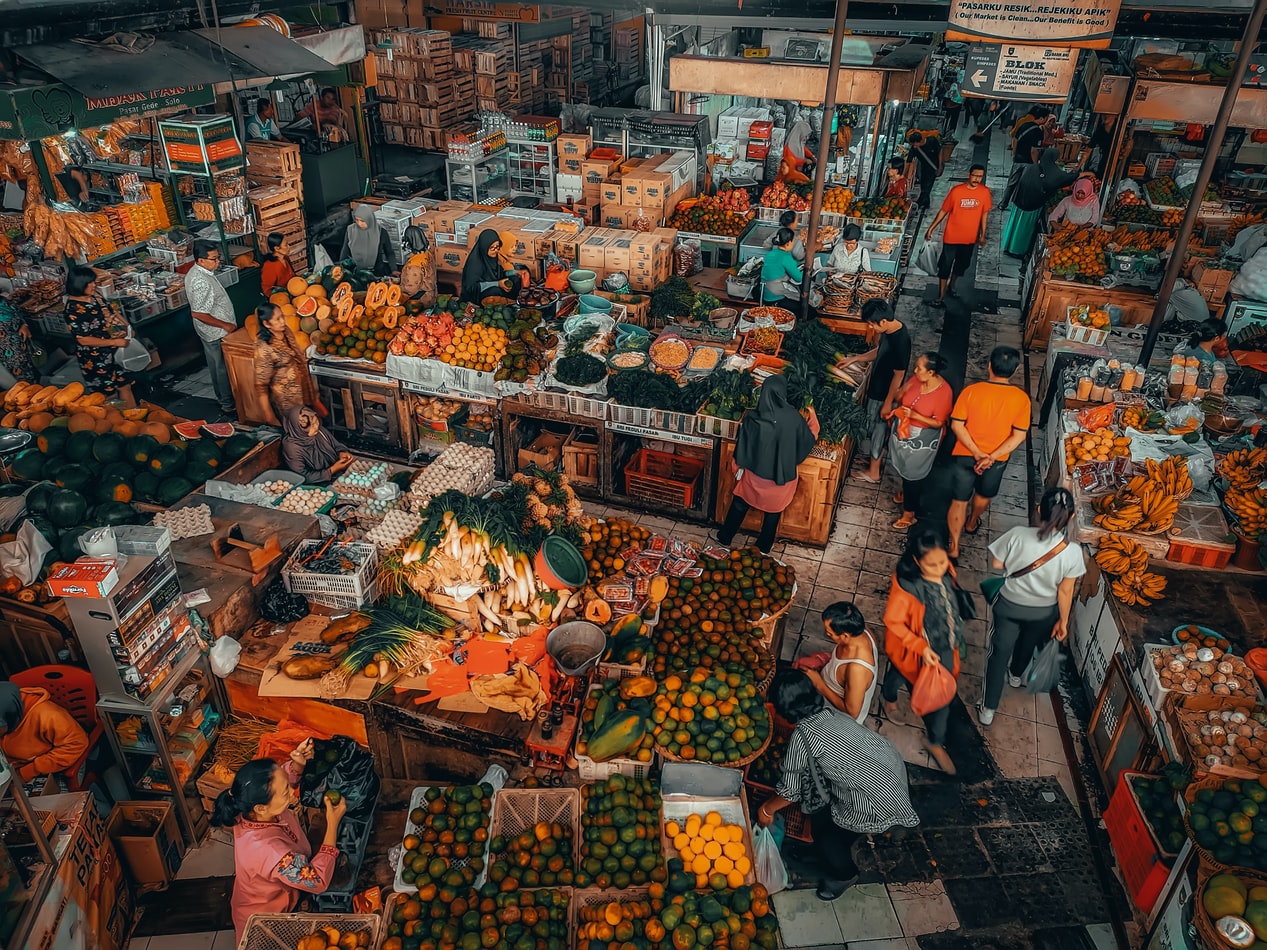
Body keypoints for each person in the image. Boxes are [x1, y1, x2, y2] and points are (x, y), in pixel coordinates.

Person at [756, 670, 919, 901]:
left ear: (784, 712)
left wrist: (766, 810)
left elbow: (789, 791)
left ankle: (844, 875)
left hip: (872, 798)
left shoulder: (803, 736)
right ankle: (831, 849)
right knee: (829, 820)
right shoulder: (830, 713)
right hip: (891, 768)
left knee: (827, 834)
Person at [211, 742, 346, 942]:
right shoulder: (268, 851)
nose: (291, 794)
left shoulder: (248, 806)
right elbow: (316, 880)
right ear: (261, 808)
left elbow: (280, 777)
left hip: (271, 894)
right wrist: (332, 823)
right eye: (285, 793)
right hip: (266, 920)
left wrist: (297, 765)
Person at [979, 486, 1084, 726]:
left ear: (1039, 510)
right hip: (1042, 612)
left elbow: (997, 563)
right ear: (1072, 517)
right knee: (1027, 644)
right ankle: (1016, 676)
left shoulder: (1017, 535)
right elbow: (1065, 591)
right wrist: (1063, 621)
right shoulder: (1072, 553)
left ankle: (988, 708)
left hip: (1008, 607)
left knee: (998, 655)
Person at [881, 530, 966, 775]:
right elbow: (893, 621)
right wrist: (921, 647)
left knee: (944, 695)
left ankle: (935, 741)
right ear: (917, 561)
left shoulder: (946, 570)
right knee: (899, 674)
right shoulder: (907, 588)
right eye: (932, 565)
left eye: (943, 561)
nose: (940, 568)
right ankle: (888, 698)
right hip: (914, 650)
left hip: (945, 649)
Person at [717, 376, 819, 555]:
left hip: (754, 479)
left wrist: (736, 468)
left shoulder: (752, 418)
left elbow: (742, 450)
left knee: (740, 504)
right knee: (773, 513)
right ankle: (763, 547)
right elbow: (810, 437)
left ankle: (725, 537)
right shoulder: (793, 418)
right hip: (781, 480)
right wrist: (812, 412)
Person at [946, 345, 1031, 559]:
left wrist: (976, 452)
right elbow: (1019, 436)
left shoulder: (971, 391)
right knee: (984, 494)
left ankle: (954, 545)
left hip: (965, 454)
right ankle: (972, 522)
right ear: (1016, 369)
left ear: (989, 366)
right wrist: (990, 457)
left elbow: (957, 425)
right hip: (996, 460)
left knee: (959, 501)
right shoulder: (1021, 399)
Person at [837, 300, 909, 484]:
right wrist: (856, 358)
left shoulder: (901, 341)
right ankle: (872, 460)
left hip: (884, 394)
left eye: (871, 323)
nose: (870, 327)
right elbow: (880, 351)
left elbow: (898, 376)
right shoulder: (890, 330)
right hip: (877, 390)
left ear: (883, 321)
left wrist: (887, 403)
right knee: (874, 428)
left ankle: (874, 473)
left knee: (878, 430)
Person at [889, 353, 954, 529]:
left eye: (919, 368)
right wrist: (899, 394)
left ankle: (909, 515)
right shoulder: (916, 379)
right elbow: (902, 396)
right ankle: (906, 492)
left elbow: (939, 422)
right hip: (905, 431)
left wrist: (915, 415)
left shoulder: (944, 392)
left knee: (914, 474)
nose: (915, 370)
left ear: (931, 372)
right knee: (904, 466)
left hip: (923, 438)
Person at [925, 163, 992, 306]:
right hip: (952, 236)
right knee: (945, 265)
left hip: (969, 238)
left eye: (980, 176)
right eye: (974, 175)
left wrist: (982, 234)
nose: (977, 179)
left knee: (962, 265)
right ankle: (941, 295)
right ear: (969, 174)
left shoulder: (985, 192)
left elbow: (984, 215)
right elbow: (943, 211)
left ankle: (952, 285)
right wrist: (931, 228)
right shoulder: (956, 191)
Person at [64, 267, 133, 404]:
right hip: (95, 358)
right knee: (107, 395)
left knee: (125, 385)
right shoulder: (73, 310)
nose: (93, 285)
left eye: (93, 282)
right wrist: (114, 343)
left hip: (114, 352)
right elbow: (83, 339)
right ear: (79, 284)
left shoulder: (94, 296)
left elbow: (111, 311)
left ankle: (135, 417)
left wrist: (127, 327)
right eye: (89, 283)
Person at [187, 241, 239, 419]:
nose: (218, 262)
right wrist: (225, 325)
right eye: (214, 259)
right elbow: (198, 313)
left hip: (212, 331)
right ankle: (228, 404)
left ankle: (225, 400)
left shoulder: (200, 271)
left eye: (218, 258)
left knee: (217, 366)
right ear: (201, 260)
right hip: (215, 332)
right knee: (221, 368)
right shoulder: (200, 281)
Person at [802, 602, 879, 723]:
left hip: (837, 715)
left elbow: (852, 713)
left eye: (830, 634)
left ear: (845, 636)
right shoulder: (862, 630)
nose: (827, 635)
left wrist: (819, 684)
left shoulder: (857, 669)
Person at [0, 680, 89, 783]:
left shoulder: (49, 716)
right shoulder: (6, 715)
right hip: (13, 768)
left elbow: (77, 743)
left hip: (54, 765)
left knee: (50, 798)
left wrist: (27, 772)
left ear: (9, 717)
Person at [1002, 148, 1081, 257]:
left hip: (1018, 200)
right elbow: (1066, 179)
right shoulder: (1054, 172)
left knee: (1014, 225)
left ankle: (1007, 246)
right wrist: (1078, 173)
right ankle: (1017, 251)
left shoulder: (1031, 166)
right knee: (1024, 228)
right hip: (1033, 204)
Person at [254, 303, 320, 426]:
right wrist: (268, 414)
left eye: (282, 316)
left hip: (303, 393)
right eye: (277, 319)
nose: (283, 321)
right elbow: (261, 385)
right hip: (287, 401)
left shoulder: (286, 332)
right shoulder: (264, 348)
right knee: (297, 433)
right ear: (266, 324)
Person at [282, 406, 354, 484]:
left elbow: (336, 445)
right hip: (316, 484)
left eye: (316, 422)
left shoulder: (319, 431)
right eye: (312, 426)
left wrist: (342, 452)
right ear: (299, 431)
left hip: (337, 475)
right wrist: (332, 470)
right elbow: (302, 477)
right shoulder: (292, 448)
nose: (316, 427)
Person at [1000, 106, 1049, 210]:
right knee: (1024, 185)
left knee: (1012, 183)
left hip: (1018, 159)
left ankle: (1003, 203)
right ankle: (1018, 205)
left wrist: (1014, 154)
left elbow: (1015, 140)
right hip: (1028, 162)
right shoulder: (1038, 132)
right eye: (1046, 118)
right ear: (1041, 118)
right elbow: (1034, 150)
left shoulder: (1024, 125)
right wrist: (1035, 164)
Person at [462, 230, 519, 305]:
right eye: (492, 248)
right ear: (484, 247)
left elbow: (501, 273)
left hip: (497, 285)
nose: (495, 250)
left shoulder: (494, 258)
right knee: (495, 291)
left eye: (497, 247)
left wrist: (515, 272)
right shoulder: (475, 263)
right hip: (477, 295)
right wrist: (497, 284)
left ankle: (512, 302)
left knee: (515, 280)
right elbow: (472, 287)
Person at [340, 205, 393, 277]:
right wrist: (341, 268)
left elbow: (389, 252)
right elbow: (345, 251)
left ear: (370, 219)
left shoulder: (381, 232)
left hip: (376, 273)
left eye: (362, 221)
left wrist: (394, 269)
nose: (359, 224)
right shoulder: (351, 230)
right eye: (357, 220)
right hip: (355, 273)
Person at [760, 227, 804, 304]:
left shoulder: (771, 254)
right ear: (788, 243)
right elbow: (799, 278)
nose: (793, 243)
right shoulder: (786, 257)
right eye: (793, 241)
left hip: (765, 293)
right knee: (810, 311)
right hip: (776, 297)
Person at [0, 295, 37, 384]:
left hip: (21, 347)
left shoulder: (3, 302)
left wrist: (24, 325)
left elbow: (17, 312)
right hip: (7, 357)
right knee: (19, 383)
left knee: (30, 373)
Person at [905, 130, 943, 211]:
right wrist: (903, 174)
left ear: (920, 141)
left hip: (934, 167)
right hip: (924, 167)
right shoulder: (914, 148)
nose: (914, 146)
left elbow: (940, 152)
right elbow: (908, 161)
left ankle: (920, 202)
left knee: (927, 186)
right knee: (923, 184)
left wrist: (940, 166)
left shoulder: (932, 141)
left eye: (915, 144)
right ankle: (926, 203)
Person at [779, 119, 819, 185]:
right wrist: (804, 161)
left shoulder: (797, 141)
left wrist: (812, 156)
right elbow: (790, 161)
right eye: (805, 136)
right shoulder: (790, 146)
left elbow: (803, 148)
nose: (806, 138)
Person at [260, 232, 297, 296]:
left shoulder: (285, 258)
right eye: (286, 245)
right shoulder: (270, 266)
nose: (289, 247)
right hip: (280, 297)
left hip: (293, 291)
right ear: (277, 248)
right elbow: (267, 290)